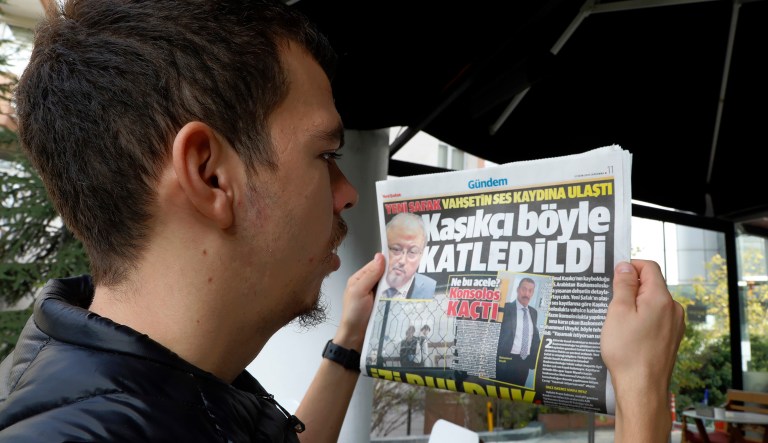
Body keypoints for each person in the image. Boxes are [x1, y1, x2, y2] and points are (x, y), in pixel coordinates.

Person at [0, 1, 684, 442]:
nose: (348, 191)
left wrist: (353, 334)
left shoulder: (164, 378)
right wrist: (644, 395)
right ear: (210, 174)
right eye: (325, 154)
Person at [380, 212, 437, 299]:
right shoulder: (368, 282)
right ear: (383, 246)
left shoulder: (431, 289)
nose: (402, 261)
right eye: (396, 249)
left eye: (412, 252)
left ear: (421, 255)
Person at [496, 277, 540, 387]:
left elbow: (533, 336)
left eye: (530, 291)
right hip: (506, 361)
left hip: (524, 364)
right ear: (517, 289)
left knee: (518, 393)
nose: (526, 293)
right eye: (524, 289)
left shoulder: (533, 312)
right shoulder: (505, 308)